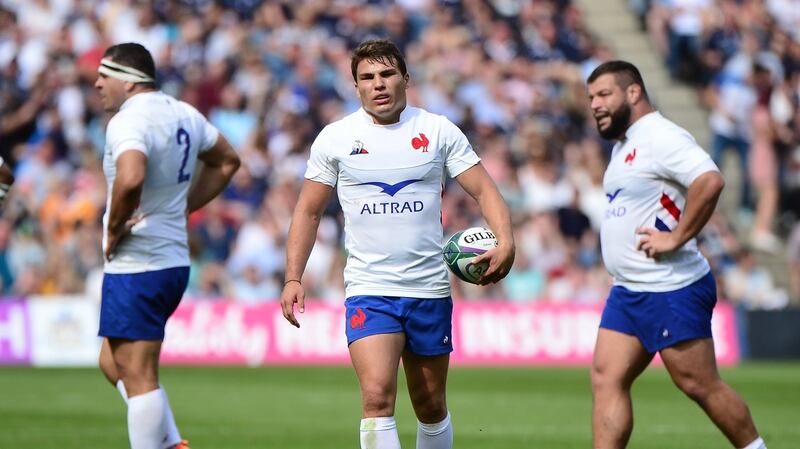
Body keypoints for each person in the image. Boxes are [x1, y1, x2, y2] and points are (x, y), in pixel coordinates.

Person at [280, 39, 515, 449]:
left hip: (428, 289)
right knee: (376, 398)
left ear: (405, 78)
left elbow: (485, 192)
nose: (379, 84)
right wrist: (292, 277)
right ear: (356, 87)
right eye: (367, 78)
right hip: (370, 290)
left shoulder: (437, 130)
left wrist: (507, 242)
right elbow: (308, 212)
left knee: (429, 403)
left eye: (387, 74)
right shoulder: (335, 138)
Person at [586, 60, 766, 449]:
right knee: (606, 377)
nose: (595, 104)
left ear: (633, 92)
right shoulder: (626, 145)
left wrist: (677, 237)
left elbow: (709, 180)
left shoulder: (659, 136)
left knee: (698, 384)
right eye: (591, 98)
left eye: (603, 94)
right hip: (630, 288)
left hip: (671, 286)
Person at [94, 43, 240, 449]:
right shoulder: (184, 113)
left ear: (127, 80)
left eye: (103, 76)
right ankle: (172, 442)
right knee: (112, 362)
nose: (96, 83)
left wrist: (115, 228)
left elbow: (131, 176)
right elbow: (227, 161)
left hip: (140, 261)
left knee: (139, 378)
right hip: (171, 260)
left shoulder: (128, 121)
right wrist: (183, 207)